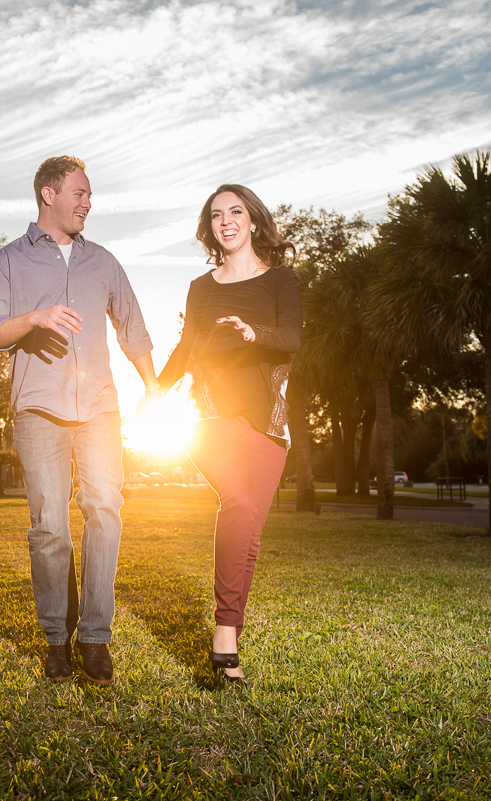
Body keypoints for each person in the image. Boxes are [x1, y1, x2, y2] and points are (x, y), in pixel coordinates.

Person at [0, 156, 161, 686]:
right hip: (38, 409)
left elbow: (133, 328)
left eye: (90, 194)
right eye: (79, 193)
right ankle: (57, 638)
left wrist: (153, 387)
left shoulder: (103, 260)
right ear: (48, 194)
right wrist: (32, 318)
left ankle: (95, 639)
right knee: (49, 526)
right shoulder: (9, 261)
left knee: (105, 512)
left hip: (99, 408)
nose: (87, 203)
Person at [157, 184, 302, 684]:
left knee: (250, 528)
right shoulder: (202, 288)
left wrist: (251, 333)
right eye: (216, 215)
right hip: (210, 417)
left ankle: (230, 649)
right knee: (238, 501)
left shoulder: (281, 280)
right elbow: (185, 348)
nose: (226, 221)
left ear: (254, 222)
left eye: (236, 211)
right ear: (210, 228)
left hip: (268, 421)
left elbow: (293, 338)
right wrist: (155, 390)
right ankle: (225, 631)